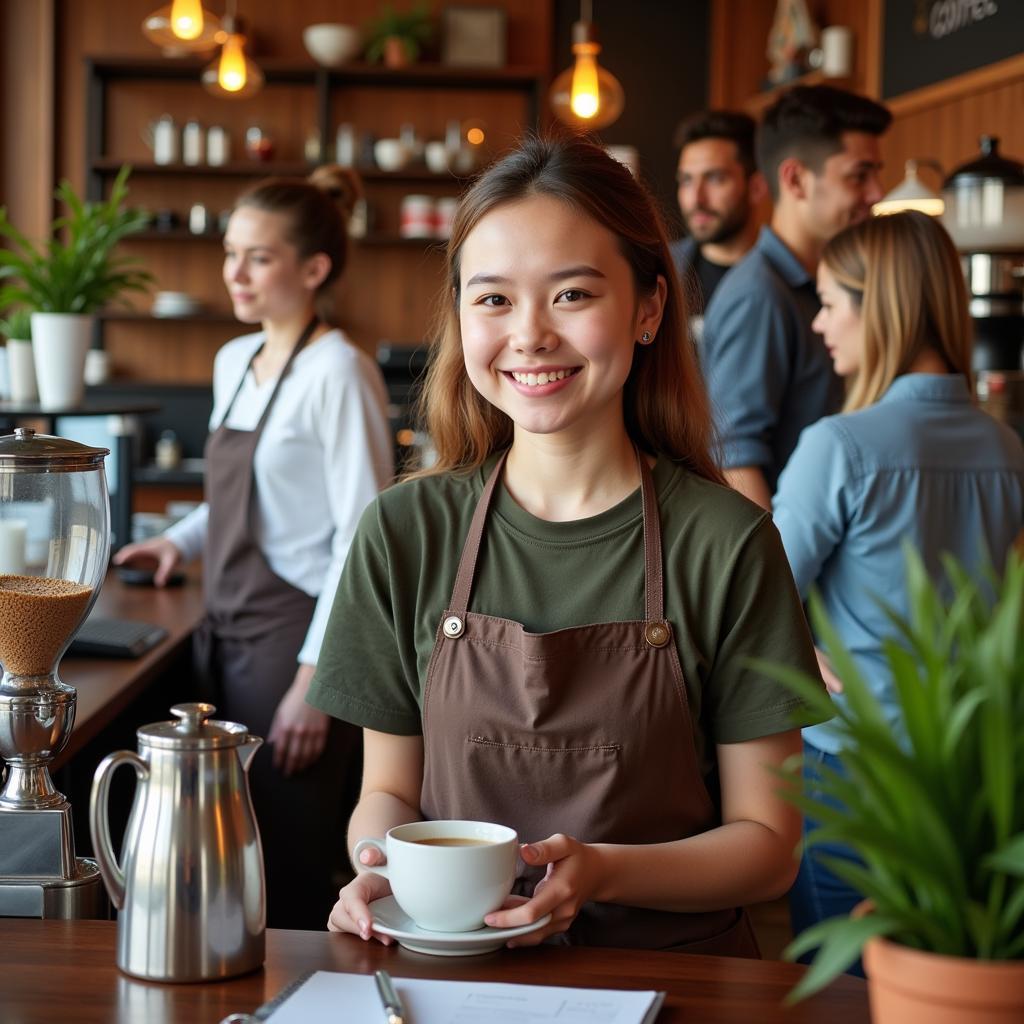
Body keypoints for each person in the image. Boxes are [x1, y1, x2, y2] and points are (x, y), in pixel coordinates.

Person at [308, 136, 831, 954]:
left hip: (671, 981)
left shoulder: (727, 541)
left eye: (572, 294)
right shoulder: (404, 532)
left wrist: (604, 872)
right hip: (455, 979)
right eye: (493, 300)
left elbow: (767, 844)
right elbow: (388, 791)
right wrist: (383, 864)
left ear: (650, 308)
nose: (530, 335)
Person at [114, 166, 395, 929]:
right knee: (229, 859)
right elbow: (232, 500)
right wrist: (175, 541)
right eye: (231, 253)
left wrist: (314, 679)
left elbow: (361, 537)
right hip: (225, 630)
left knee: (289, 865)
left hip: (293, 642)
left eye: (258, 257)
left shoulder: (340, 371)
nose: (234, 272)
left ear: (314, 269)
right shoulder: (233, 361)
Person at [772, 211, 1024, 954]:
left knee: (837, 983)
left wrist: (793, 641)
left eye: (829, 302)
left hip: (855, 770)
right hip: (970, 774)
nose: (820, 324)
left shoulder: (841, 446)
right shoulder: (1005, 445)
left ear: (877, 306)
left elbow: (755, 592)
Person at [702, 85, 891, 510]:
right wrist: (778, 573)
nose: (877, 192)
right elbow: (734, 459)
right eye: (859, 176)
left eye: (877, 173)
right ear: (795, 179)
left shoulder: (816, 286)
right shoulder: (759, 295)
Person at [670, 110, 766, 322]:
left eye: (715, 179)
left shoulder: (784, 280)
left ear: (757, 187)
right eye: (686, 180)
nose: (696, 198)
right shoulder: (659, 269)